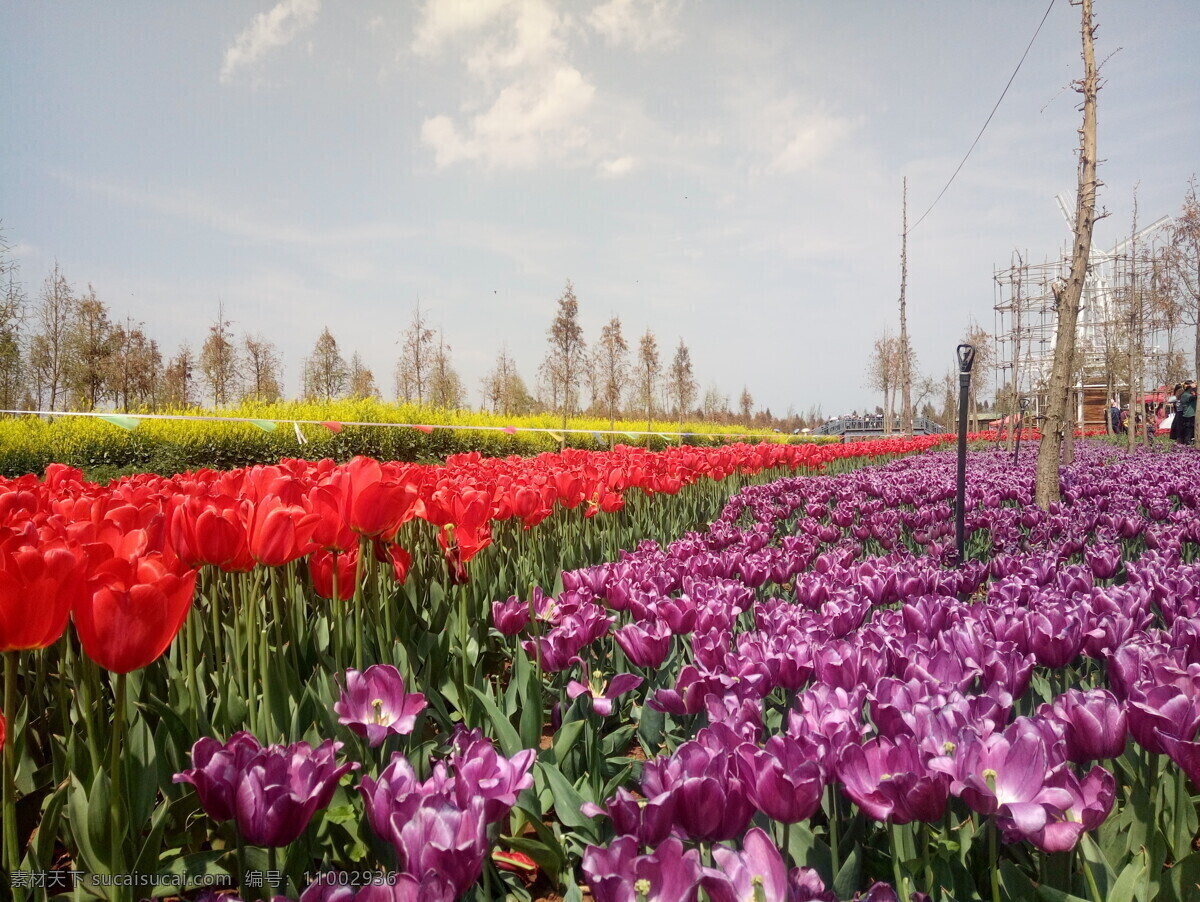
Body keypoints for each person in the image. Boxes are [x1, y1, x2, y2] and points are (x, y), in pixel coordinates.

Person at [1180, 380, 1197, 446]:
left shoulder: (1188, 394)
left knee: (1192, 431)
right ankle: (1188, 445)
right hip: (1189, 416)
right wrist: (1195, 388)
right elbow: (1197, 396)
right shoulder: (1185, 395)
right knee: (1189, 432)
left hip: (1192, 415)